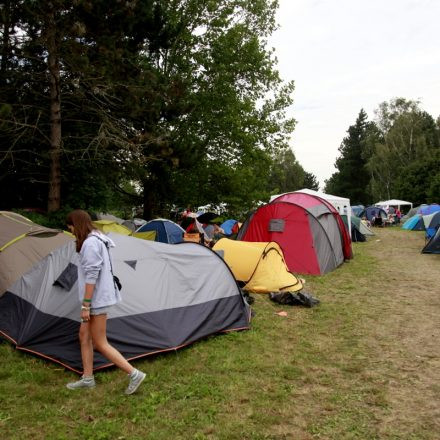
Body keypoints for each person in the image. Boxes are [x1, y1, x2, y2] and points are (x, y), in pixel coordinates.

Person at [65, 209, 146, 395]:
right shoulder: (96, 239)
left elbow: (92, 276)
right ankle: (88, 378)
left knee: (100, 343)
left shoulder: (91, 244)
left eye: (70, 226)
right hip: (96, 299)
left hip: (96, 301)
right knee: (84, 336)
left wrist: (86, 305)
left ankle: (134, 374)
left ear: (75, 225)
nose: (69, 231)